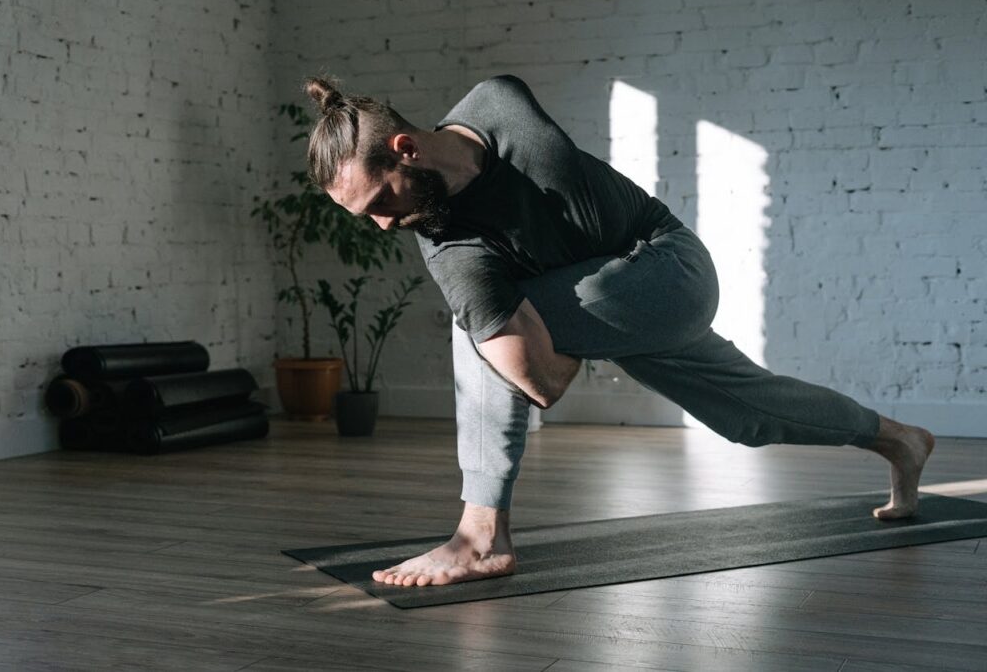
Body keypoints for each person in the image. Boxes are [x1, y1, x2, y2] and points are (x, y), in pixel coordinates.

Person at [303, 73, 936, 588]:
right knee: (750, 414)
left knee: (476, 331)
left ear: (406, 150)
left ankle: (479, 537)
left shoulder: (497, 104)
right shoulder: (446, 246)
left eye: (378, 202)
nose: (383, 226)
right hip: (612, 306)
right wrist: (524, 334)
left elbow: (541, 368)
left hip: (667, 268)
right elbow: (543, 383)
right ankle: (899, 440)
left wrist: (526, 328)